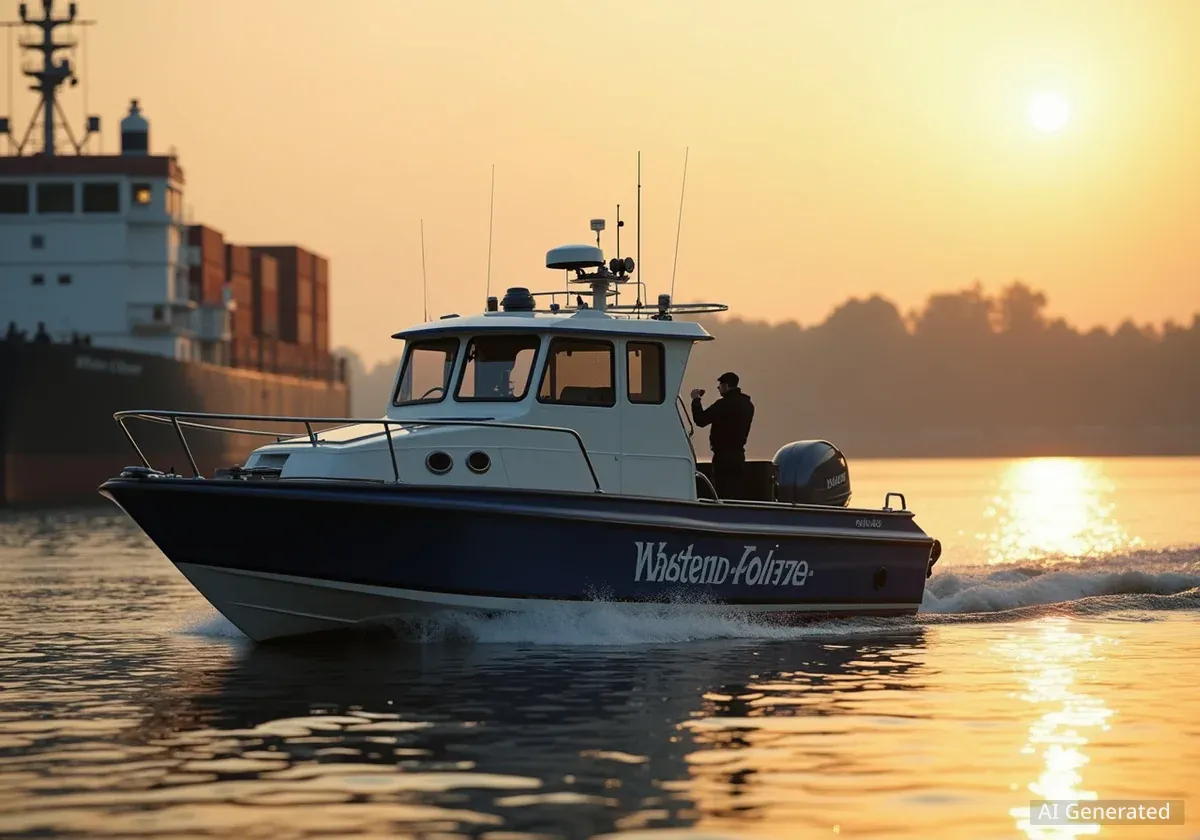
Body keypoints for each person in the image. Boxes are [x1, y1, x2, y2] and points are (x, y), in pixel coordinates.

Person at [690, 371, 755, 499]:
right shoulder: (748, 405)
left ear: (725, 386)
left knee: (722, 492)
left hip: (723, 457)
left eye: (719, 386)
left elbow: (701, 420)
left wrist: (696, 399)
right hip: (739, 456)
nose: (718, 388)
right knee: (736, 492)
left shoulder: (723, 405)